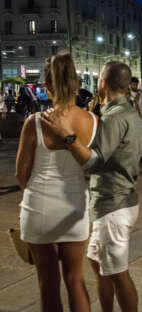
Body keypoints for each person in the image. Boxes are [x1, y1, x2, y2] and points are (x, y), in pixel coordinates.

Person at [41, 61, 142, 312]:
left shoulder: (115, 117)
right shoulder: (126, 111)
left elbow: (93, 161)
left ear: (103, 83)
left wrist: (67, 136)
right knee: (99, 267)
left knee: (119, 274)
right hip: (112, 202)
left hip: (113, 204)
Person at [16, 54, 96, 312]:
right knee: (76, 280)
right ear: (76, 83)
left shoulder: (35, 123)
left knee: (47, 284)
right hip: (75, 205)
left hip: (39, 206)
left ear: (48, 86)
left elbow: (21, 172)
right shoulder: (91, 121)